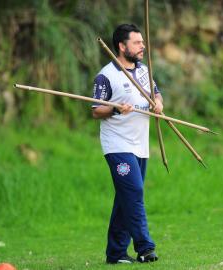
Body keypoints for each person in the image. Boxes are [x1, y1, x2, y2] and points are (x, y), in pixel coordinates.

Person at [92, 24, 163, 264]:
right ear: (122, 47)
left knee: (126, 197)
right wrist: (114, 108)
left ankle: (115, 253)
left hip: (140, 145)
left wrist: (158, 103)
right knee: (133, 193)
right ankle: (145, 248)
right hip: (118, 145)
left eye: (142, 42)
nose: (143, 46)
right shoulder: (106, 75)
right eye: (137, 43)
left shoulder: (144, 71)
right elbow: (95, 109)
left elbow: (156, 93)